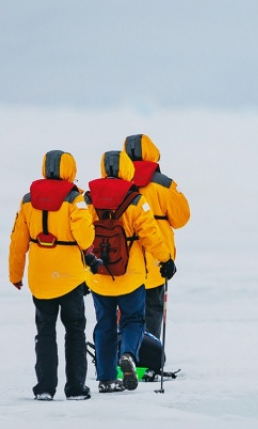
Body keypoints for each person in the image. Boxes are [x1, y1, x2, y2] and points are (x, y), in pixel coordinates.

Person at [84, 149, 176, 393]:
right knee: (133, 319)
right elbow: (150, 235)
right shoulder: (135, 200)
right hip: (131, 276)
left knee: (104, 323)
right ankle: (128, 355)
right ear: (126, 169)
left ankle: (106, 378)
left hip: (99, 276)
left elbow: (79, 236)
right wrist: (166, 259)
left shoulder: (87, 199)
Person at [8, 150, 95, 401]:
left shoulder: (27, 200)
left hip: (40, 277)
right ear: (69, 169)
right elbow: (85, 238)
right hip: (69, 277)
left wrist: (15, 274)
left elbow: (17, 242)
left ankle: (45, 388)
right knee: (75, 331)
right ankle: (76, 388)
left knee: (45, 332)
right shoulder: (75, 199)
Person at [124, 133, 190, 338]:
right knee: (152, 308)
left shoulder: (118, 184)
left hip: (122, 258)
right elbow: (182, 219)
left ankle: (124, 350)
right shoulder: (165, 185)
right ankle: (148, 353)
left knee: (125, 310)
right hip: (156, 259)